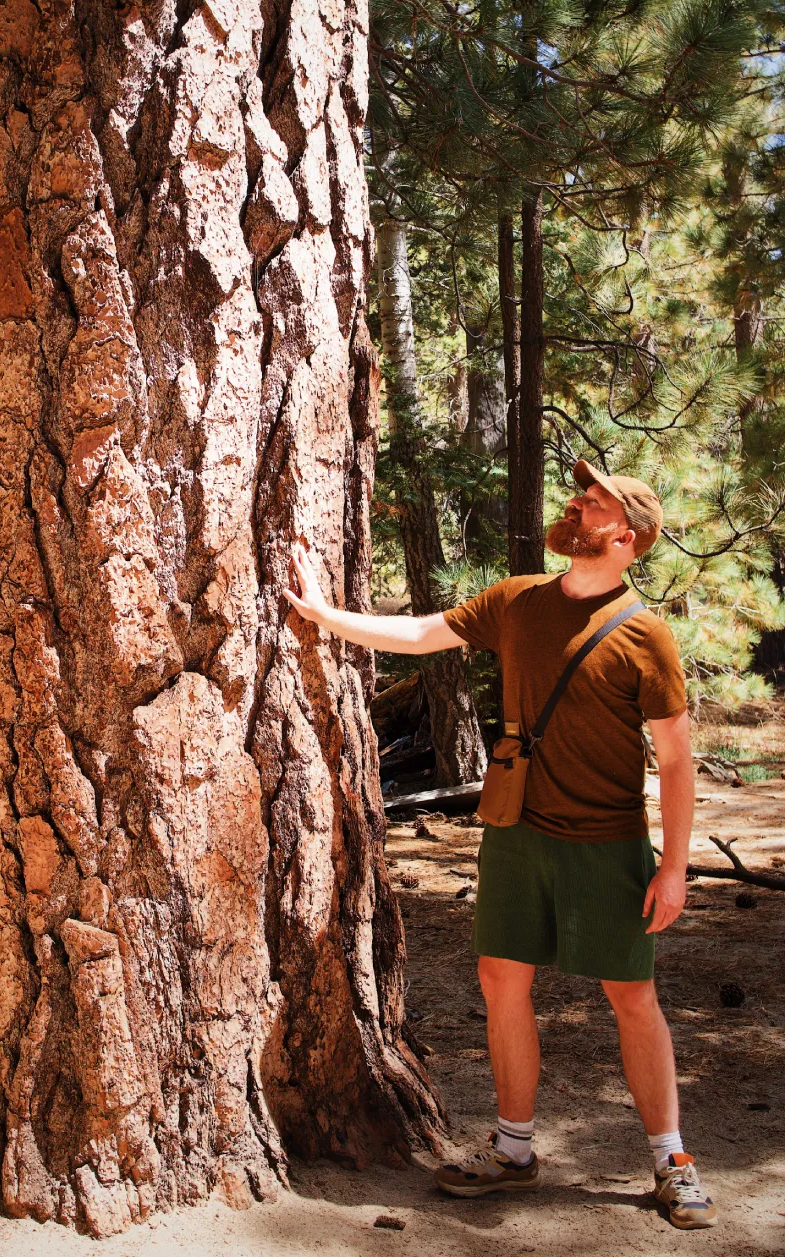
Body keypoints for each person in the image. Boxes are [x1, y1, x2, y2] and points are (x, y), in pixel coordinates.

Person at [282, 458, 717, 1231]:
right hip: (516, 834)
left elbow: (677, 758)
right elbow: (421, 633)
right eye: (581, 494)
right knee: (499, 980)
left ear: (626, 535)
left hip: (608, 843)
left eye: (596, 502)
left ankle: (672, 1159)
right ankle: (515, 1148)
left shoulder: (647, 635)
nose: (577, 503)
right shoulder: (519, 601)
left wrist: (675, 866)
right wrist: (323, 616)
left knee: (630, 996)